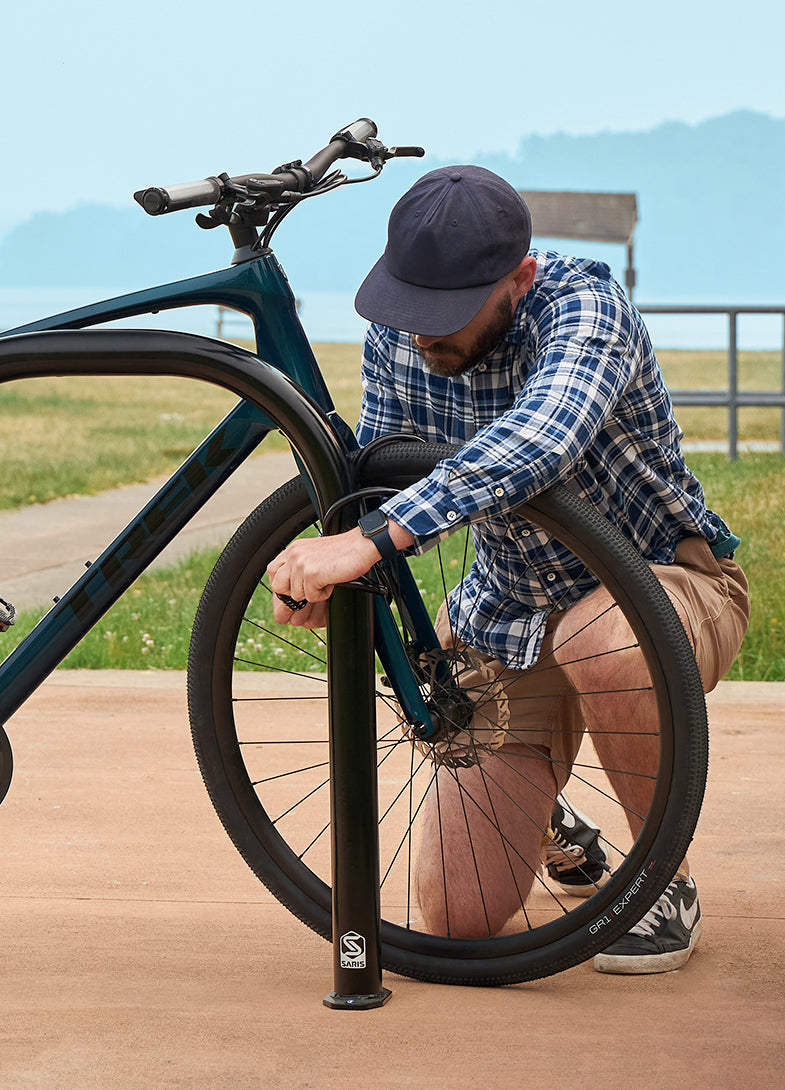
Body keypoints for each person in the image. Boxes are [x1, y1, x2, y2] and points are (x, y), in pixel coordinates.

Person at [267, 165, 749, 974]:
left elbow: (539, 444)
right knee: (460, 919)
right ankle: (551, 819)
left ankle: (662, 880)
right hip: (511, 613)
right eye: (411, 309)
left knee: (601, 640)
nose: (423, 335)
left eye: (448, 316)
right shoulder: (403, 329)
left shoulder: (587, 311)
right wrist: (352, 563)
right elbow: (389, 470)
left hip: (662, 589)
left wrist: (372, 539)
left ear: (518, 280)